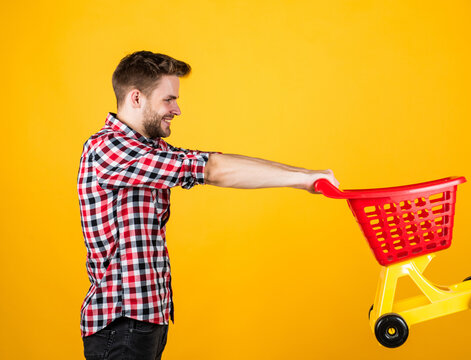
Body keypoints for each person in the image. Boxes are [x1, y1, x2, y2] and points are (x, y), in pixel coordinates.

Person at [78, 50, 339, 360]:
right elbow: (209, 169)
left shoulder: (148, 148)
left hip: (144, 323)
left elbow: (208, 160)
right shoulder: (109, 149)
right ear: (136, 98)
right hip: (120, 328)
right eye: (168, 99)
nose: (176, 109)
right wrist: (303, 179)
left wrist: (305, 176)